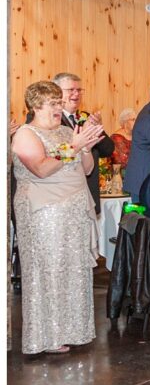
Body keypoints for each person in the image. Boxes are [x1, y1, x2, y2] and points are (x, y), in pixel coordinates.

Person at [11, 81, 105, 355]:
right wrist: (73, 147)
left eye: (59, 102)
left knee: (73, 272)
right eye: (53, 103)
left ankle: (74, 330)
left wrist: (85, 146)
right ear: (36, 105)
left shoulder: (66, 130)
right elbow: (41, 168)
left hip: (72, 214)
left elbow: (87, 170)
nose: (59, 107)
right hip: (44, 214)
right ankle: (46, 336)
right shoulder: (26, 135)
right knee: (49, 271)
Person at [53, 72, 115, 215]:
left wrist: (98, 129)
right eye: (71, 90)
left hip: (89, 188)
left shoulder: (85, 117)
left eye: (79, 90)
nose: (76, 94)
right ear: (56, 93)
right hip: (64, 192)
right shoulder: (50, 119)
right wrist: (81, 139)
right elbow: (55, 154)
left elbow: (108, 150)